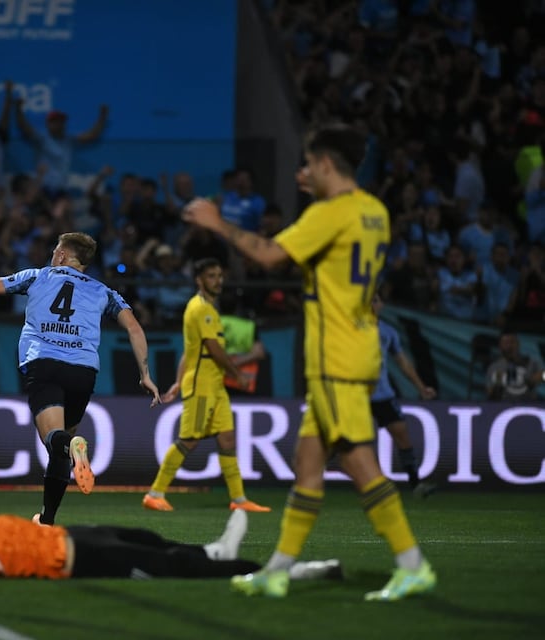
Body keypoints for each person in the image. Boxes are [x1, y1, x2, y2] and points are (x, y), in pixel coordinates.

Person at [182, 123, 436, 602]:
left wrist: (218, 224)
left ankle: (412, 563)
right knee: (308, 463)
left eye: (309, 164)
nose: (305, 171)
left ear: (323, 164)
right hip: (358, 348)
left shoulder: (330, 214)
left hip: (335, 358)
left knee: (361, 463)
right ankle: (277, 569)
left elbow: (271, 255)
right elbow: (333, 257)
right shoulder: (374, 212)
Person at [0, 232, 162, 525]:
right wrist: (145, 373)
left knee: (56, 443)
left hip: (45, 363)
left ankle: (67, 456)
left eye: (56, 250)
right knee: (61, 446)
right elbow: (134, 328)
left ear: (62, 257)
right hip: (83, 371)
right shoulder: (103, 291)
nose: (53, 255)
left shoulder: (38, 276)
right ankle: (46, 519)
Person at [0, 499, 344, 585]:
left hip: (60, 535)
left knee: (143, 534)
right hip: (68, 559)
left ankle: (215, 550)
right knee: (165, 565)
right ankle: (281, 572)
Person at [142, 257, 270, 513]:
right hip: (201, 386)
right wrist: (238, 374)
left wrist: (178, 381)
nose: (218, 280)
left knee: (227, 438)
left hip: (214, 386)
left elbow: (188, 352)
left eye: (220, 275)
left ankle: (239, 500)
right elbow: (214, 349)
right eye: (211, 276)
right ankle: (155, 494)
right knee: (188, 440)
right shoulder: (201, 309)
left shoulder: (208, 309)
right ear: (199, 280)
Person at [370, 295, 438, 498]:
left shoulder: (388, 332)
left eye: (376, 300)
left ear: (382, 305)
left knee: (402, 435)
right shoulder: (348, 328)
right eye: (369, 300)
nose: (372, 304)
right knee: (340, 442)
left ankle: (416, 484)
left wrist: (421, 387)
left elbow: (403, 362)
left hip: (382, 394)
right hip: (354, 395)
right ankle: (308, 477)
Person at [485, 330, 544, 401]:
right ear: (500, 346)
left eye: (512, 342)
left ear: (518, 344)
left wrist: (537, 378)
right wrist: (499, 384)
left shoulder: (531, 362)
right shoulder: (494, 367)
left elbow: (543, 375)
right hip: (503, 405)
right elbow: (490, 393)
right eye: (506, 343)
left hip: (528, 403)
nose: (509, 346)